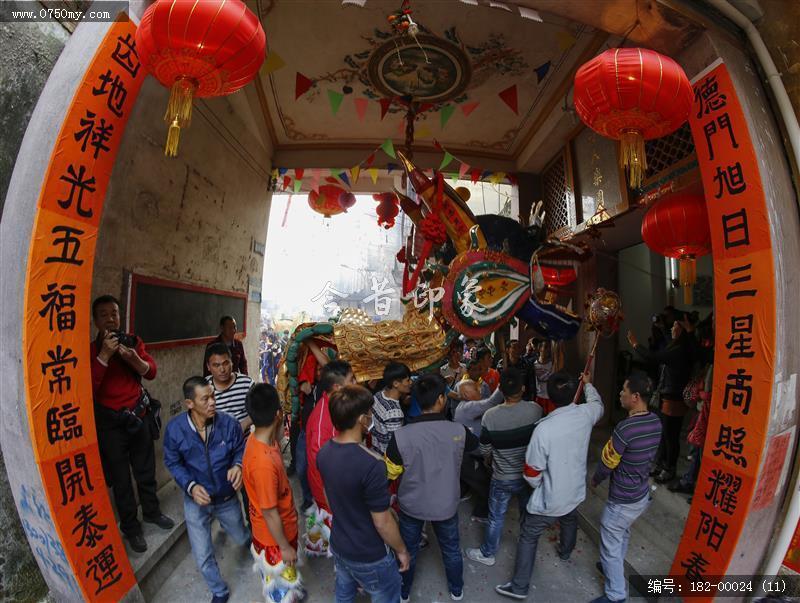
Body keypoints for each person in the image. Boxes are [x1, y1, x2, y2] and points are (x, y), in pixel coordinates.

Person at [495, 370, 603, 600]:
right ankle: (565, 551)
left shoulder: (544, 429)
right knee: (569, 516)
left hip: (551, 495)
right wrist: (588, 385)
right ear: (575, 392)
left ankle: (519, 587)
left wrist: (540, 487)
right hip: (575, 489)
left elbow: (531, 472)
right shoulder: (587, 413)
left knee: (528, 534)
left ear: (550, 397)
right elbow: (597, 402)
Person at [90, 295, 173, 553]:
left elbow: (151, 372)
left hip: (138, 417)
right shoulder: (91, 350)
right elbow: (88, 388)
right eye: (104, 314)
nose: (111, 318)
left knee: (145, 471)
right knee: (121, 480)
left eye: (114, 313)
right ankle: (131, 528)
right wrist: (104, 355)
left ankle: (151, 512)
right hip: (111, 426)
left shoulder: (133, 342)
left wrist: (132, 358)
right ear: (95, 321)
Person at [385, 374, 479, 602]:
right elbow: (476, 445)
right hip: (445, 504)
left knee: (408, 550)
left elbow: (390, 473)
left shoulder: (400, 436)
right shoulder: (459, 431)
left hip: (411, 505)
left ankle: (403, 593)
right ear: (440, 399)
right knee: (451, 549)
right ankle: (457, 590)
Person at [317, 385, 411, 602]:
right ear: (361, 419)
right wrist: (402, 550)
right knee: (386, 596)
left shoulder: (324, 453)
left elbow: (329, 498)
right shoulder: (372, 465)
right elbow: (382, 522)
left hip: (340, 545)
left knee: (343, 593)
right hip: (370, 555)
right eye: (369, 413)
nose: (371, 417)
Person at [163, 377, 250, 603]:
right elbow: (173, 462)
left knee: (241, 537)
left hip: (226, 496)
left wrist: (237, 465)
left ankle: (230, 526)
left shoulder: (229, 424)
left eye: (213, 396)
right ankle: (219, 591)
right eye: (206, 399)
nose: (213, 402)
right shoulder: (175, 430)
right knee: (202, 554)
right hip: (196, 501)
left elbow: (239, 448)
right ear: (189, 404)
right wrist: (190, 486)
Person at [590, 371, 662, 603]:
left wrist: (595, 479)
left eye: (624, 390)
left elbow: (608, 463)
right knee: (622, 532)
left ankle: (616, 595)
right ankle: (614, 566)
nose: (620, 393)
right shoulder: (656, 421)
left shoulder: (625, 428)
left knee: (610, 540)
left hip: (622, 499)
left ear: (636, 397)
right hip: (640, 495)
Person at [466, 368, 542, 566]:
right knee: (527, 512)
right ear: (523, 388)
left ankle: (488, 553)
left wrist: (490, 461)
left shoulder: (490, 416)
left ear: (501, 390)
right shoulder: (535, 409)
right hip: (527, 474)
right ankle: (527, 546)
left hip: (501, 477)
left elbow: (484, 449)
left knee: (496, 516)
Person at [243, 383, 304, 603]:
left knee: (286, 580)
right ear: (278, 413)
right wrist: (285, 547)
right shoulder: (263, 464)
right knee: (279, 590)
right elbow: (269, 512)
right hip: (274, 540)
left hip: (277, 532)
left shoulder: (262, 440)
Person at [628, 316, 696, 483]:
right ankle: (661, 465)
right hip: (669, 396)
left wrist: (635, 344)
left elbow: (654, 357)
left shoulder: (679, 350)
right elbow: (667, 342)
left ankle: (669, 469)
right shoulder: (677, 346)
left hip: (674, 398)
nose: (671, 329)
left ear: (681, 331)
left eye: (674, 326)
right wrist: (660, 327)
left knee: (670, 436)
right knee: (666, 434)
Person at [305, 360, 356, 555]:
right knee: (341, 538)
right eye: (352, 380)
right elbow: (321, 468)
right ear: (337, 387)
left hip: (337, 488)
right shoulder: (322, 421)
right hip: (332, 493)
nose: (356, 383)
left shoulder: (337, 405)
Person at [205, 342, 255, 522]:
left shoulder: (246, 383)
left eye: (226, 363)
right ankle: (229, 524)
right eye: (216, 365)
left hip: (244, 449)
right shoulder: (204, 388)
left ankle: (252, 531)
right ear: (209, 367)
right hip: (217, 453)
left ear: (232, 362)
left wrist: (242, 425)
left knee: (249, 494)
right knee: (221, 496)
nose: (222, 369)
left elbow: (256, 412)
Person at [453, 380, 505, 522]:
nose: (479, 392)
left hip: (464, 454)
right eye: (475, 390)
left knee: (467, 477)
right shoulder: (468, 407)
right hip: (467, 456)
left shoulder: (464, 407)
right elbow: (491, 402)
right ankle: (480, 514)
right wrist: (502, 384)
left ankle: (460, 494)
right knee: (485, 483)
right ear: (466, 394)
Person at [371, 362, 412, 455]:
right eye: (408, 380)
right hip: (387, 459)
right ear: (396, 383)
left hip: (375, 449)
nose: (410, 383)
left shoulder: (379, 395)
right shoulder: (394, 412)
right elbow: (396, 444)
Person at [533, 341, 555, 414]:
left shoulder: (552, 364)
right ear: (539, 349)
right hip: (538, 397)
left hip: (550, 397)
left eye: (548, 348)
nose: (547, 350)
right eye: (545, 347)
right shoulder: (533, 365)